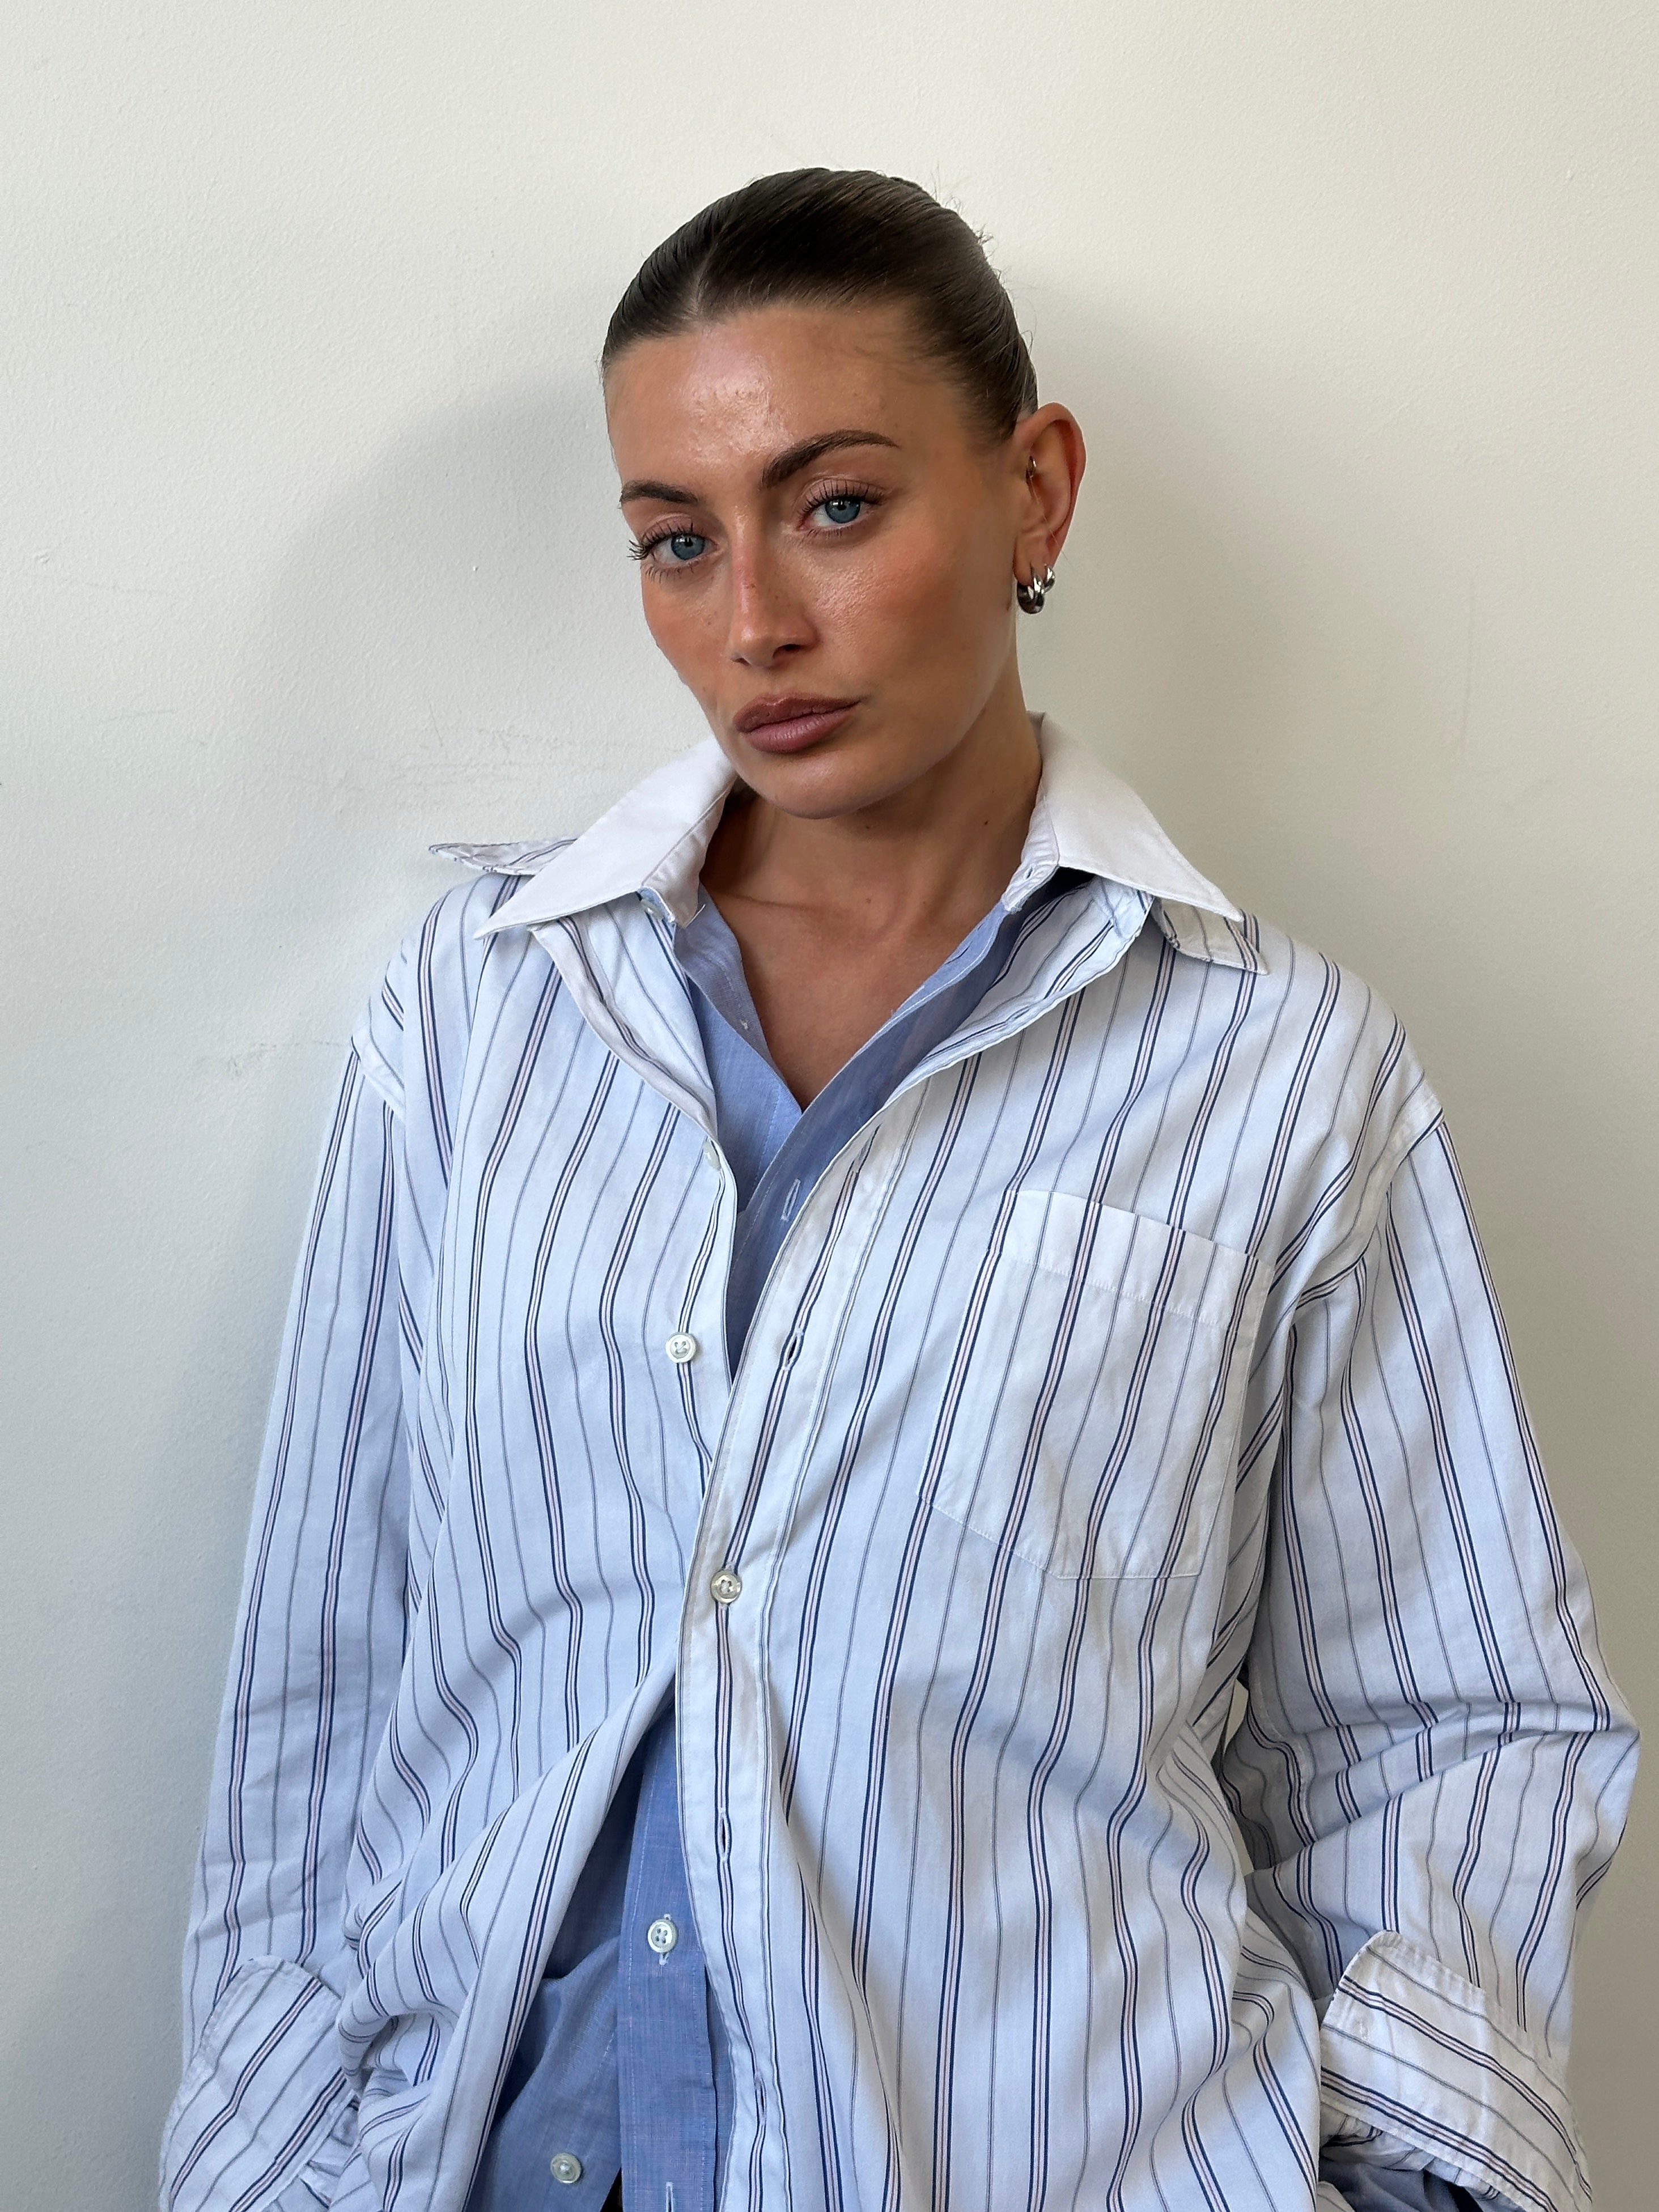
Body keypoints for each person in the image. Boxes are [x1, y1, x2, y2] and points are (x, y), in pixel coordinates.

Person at [160, 171, 1635, 2212]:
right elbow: (324, 1672)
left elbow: (1444, 1721)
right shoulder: (482, 1016)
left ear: (1036, 493)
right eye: (678, 540)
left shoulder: (1281, 1069)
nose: (752, 621)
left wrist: (1412, 2180)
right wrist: (260, 2160)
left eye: (837, 505)